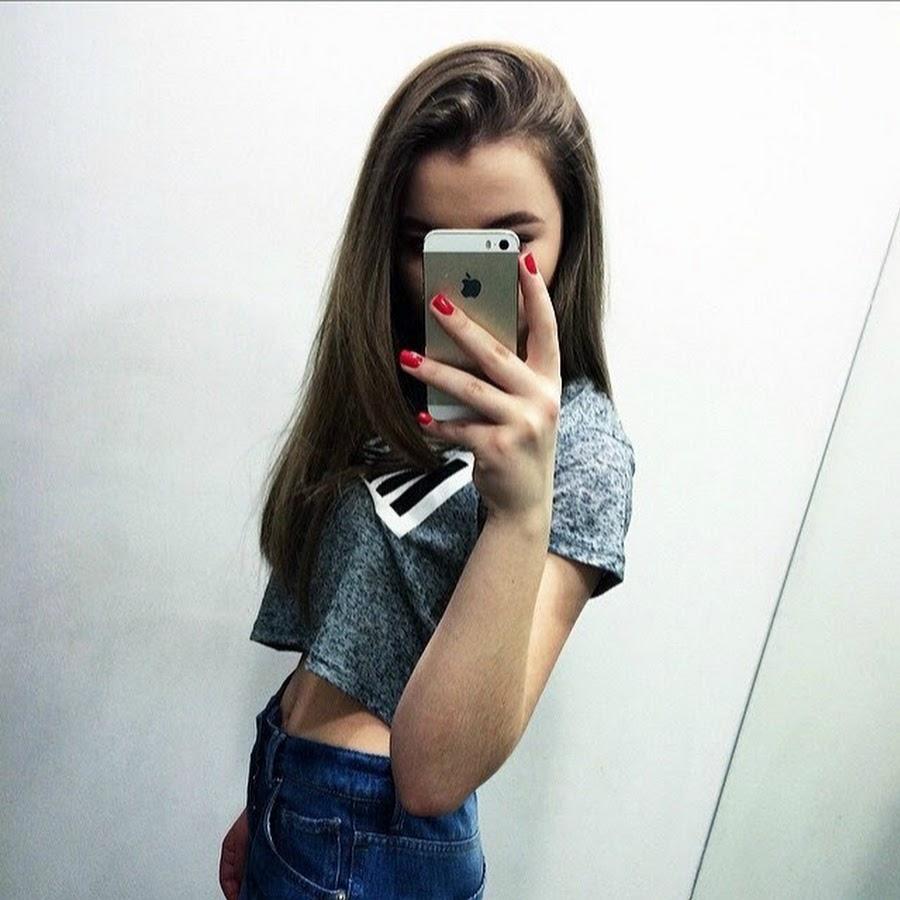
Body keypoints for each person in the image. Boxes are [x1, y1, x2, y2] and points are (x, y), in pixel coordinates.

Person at [219, 39, 636, 900]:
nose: (465, 277)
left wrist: (519, 511)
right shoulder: (393, 385)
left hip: (377, 851)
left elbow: (434, 775)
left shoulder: (583, 445)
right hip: (301, 810)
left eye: (508, 241)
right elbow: (346, 636)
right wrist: (272, 801)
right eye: (427, 243)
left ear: (572, 230)